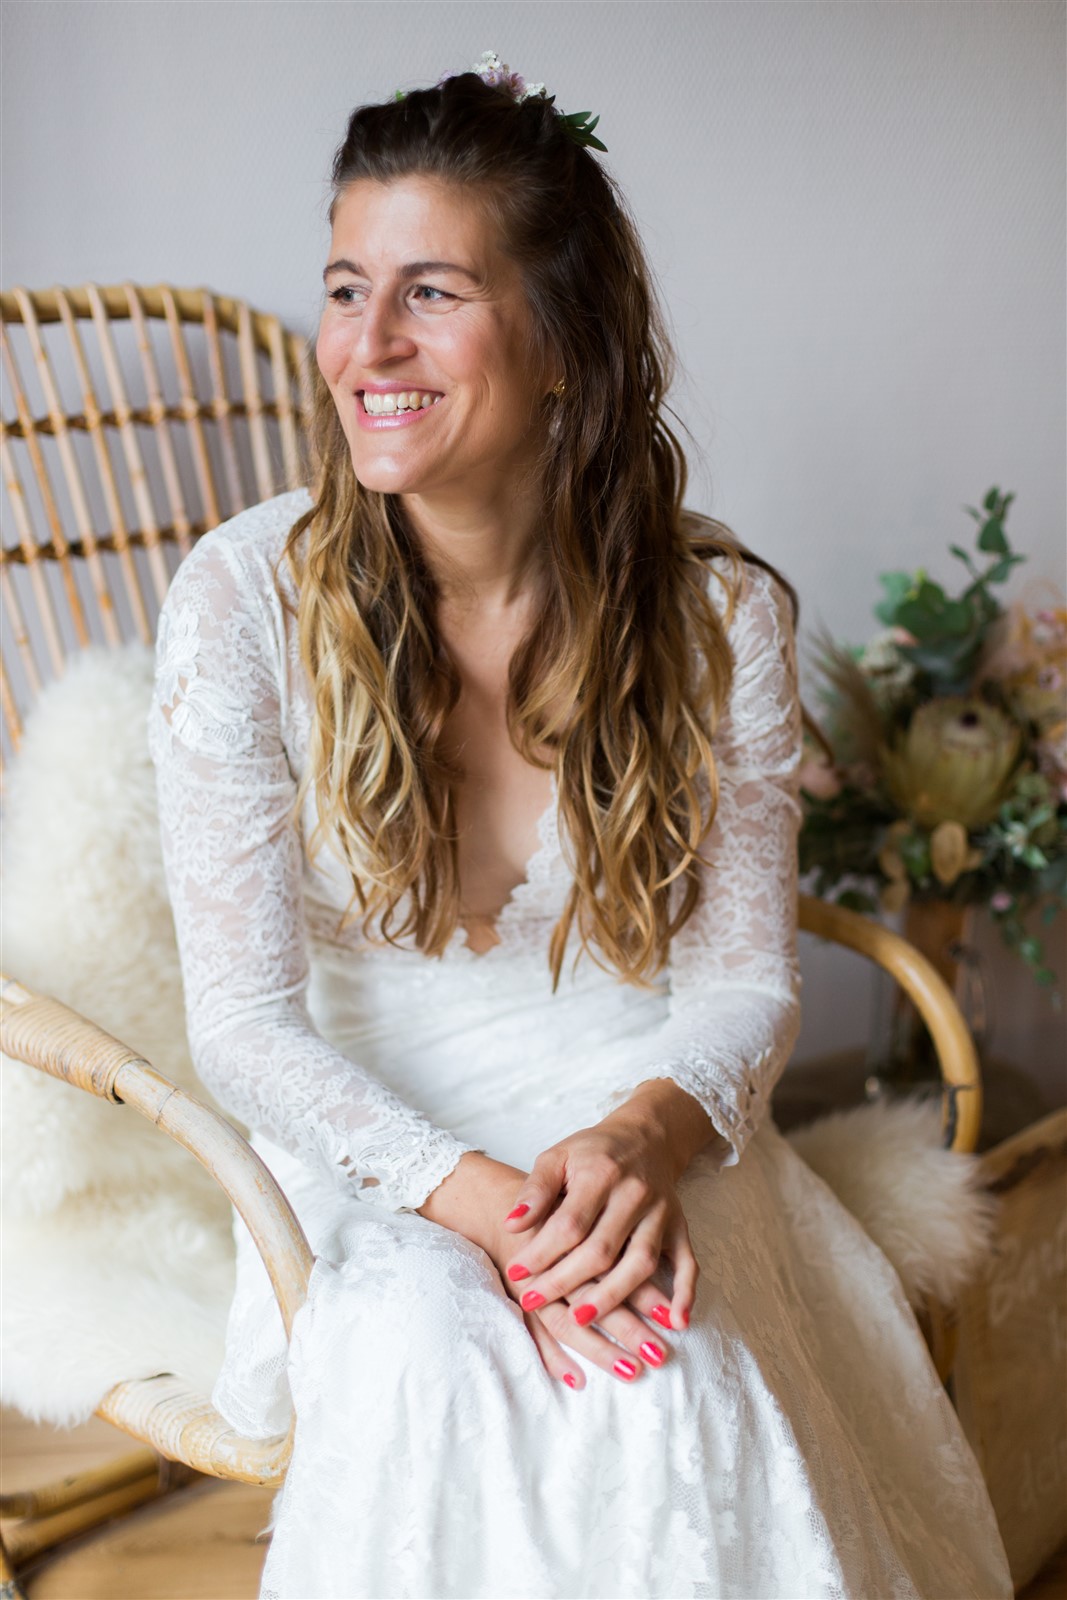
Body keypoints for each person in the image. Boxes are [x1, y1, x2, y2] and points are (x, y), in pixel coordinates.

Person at [147, 55, 1012, 1600]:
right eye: (345, 289)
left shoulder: (718, 617)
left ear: (562, 341)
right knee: (431, 1355)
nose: (366, 345)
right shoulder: (242, 605)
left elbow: (742, 983)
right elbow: (246, 1029)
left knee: (668, 1375)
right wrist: (487, 1209)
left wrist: (640, 1140)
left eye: (431, 292)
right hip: (372, 1132)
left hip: (633, 1100)